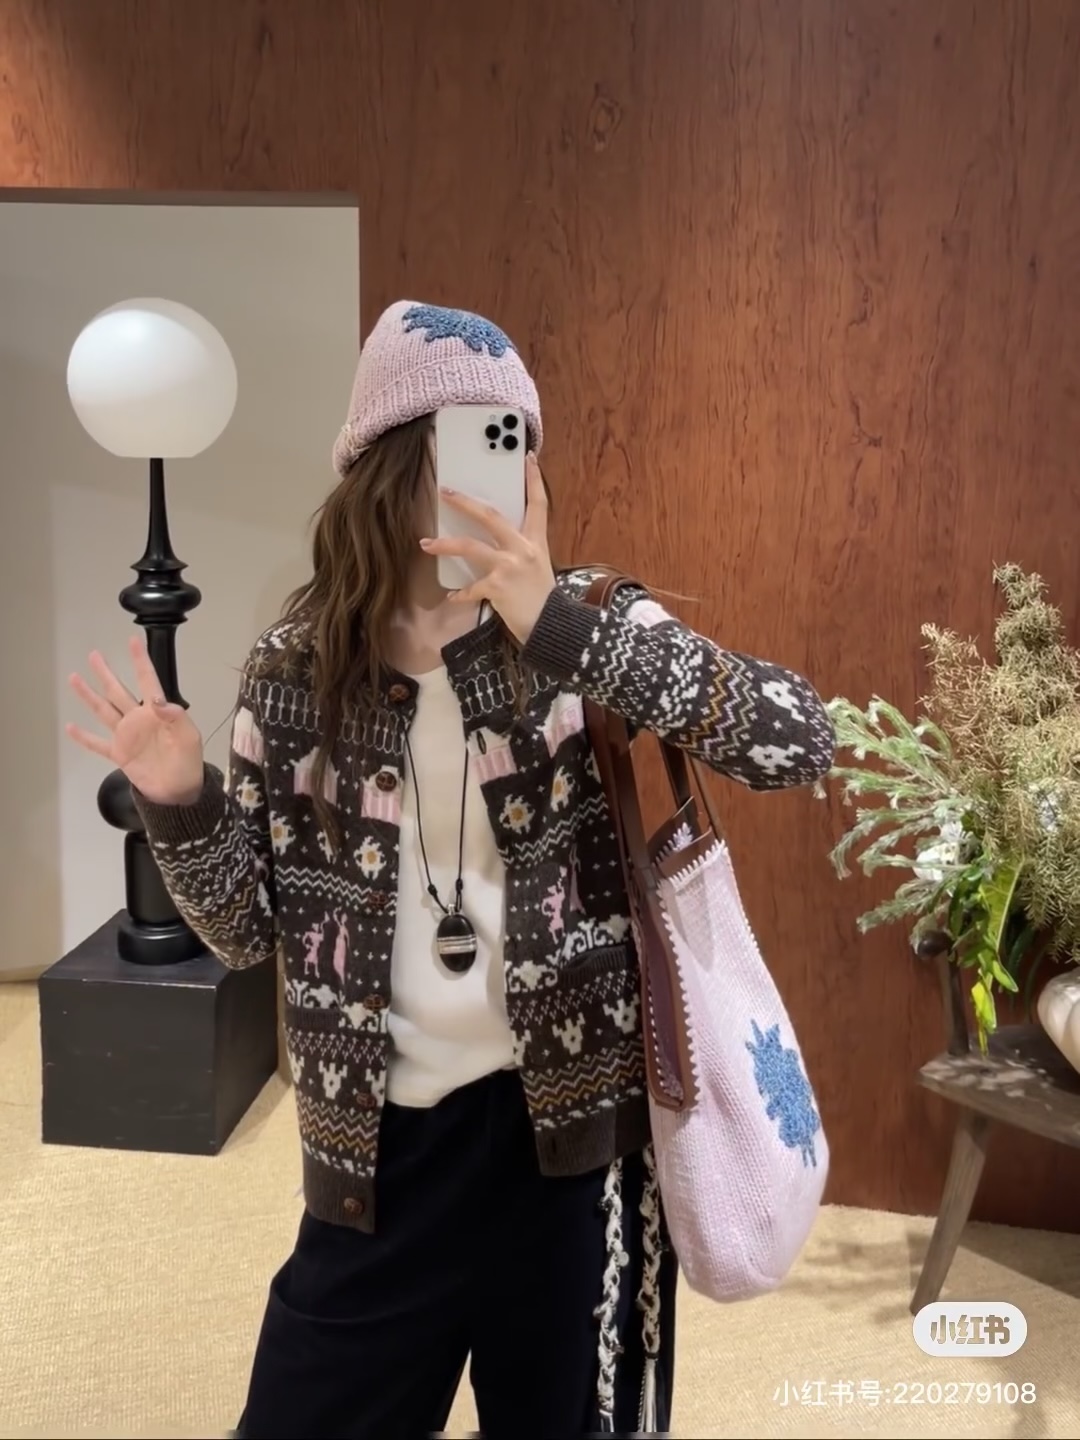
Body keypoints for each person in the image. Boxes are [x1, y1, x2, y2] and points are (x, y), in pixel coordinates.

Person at [66, 300, 836, 1439]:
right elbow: (246, 931)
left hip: (573, 1161)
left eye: (514, 442)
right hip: (375, 1162)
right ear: (387, 468)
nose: (499, 473)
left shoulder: (586, 630)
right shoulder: (296, 671)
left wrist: (555, 623)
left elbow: (796, 738)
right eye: (468, 441)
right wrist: (180, 802)